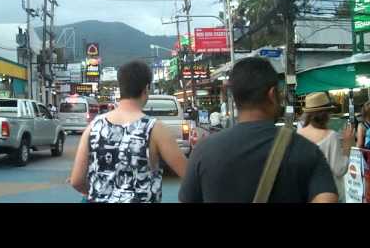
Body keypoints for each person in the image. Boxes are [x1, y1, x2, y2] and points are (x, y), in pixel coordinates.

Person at [179, 57, 338, 203]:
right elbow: (327, 198)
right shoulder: (306, 151)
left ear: (235, 98)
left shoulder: (204, 152)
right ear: (272, 94)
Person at [70, 60, 187, 203]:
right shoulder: (155, 129)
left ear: (121, 87)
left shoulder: (93, 126)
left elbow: (76, 180)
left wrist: (101, 193)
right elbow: (189, 175)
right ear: (146, 88)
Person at [297, 92, 354, 202]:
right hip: (329, 195)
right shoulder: (330, 136)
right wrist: (347, 146)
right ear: (325, 114)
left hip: (306, 194)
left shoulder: (299, 133)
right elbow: (339, 169)